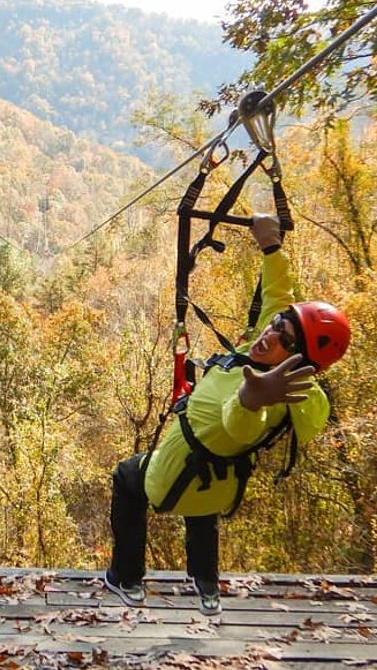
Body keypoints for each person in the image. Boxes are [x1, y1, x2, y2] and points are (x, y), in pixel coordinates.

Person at [103, 213, 350, 616]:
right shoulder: (271, 360)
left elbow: (238, 426)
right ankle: (206, 584)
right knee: (203, 506)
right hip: (219, 485)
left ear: (298, 360)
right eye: (275, 325)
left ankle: (125, 578)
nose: (269, 335)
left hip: (172, 476)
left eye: (283, 339)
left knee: (128, 477)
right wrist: (271, 249)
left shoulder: (273, 396)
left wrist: (252, 398)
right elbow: (277, 295)